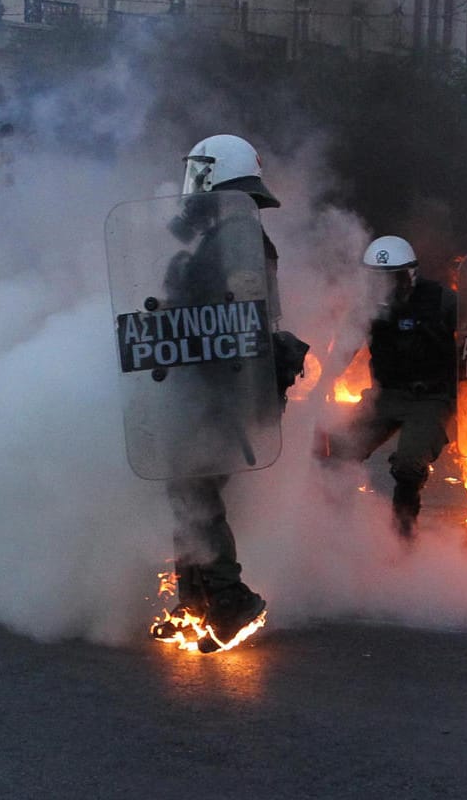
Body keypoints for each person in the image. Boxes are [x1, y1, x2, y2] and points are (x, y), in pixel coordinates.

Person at [159, 134, 307, 651]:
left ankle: (229, 599)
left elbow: (243, 319)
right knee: (185, 485)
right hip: (208, 385)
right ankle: (197, 599)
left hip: (225, 389)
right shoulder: (226, 237)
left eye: (199, 177)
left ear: (216, 179)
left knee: (194, 487)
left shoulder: (241, 240)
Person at [323, 234, 458, 537]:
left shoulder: (441, 301)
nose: (384, 286)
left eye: (391, 278)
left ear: (409, 275)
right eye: (376, 279)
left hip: (430, 398)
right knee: (340, 452)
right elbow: (346, 347)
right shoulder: (365, 308)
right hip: (384, 396)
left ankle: (402, 534)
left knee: (409, 466)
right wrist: (322, 382)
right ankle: (335, 530)